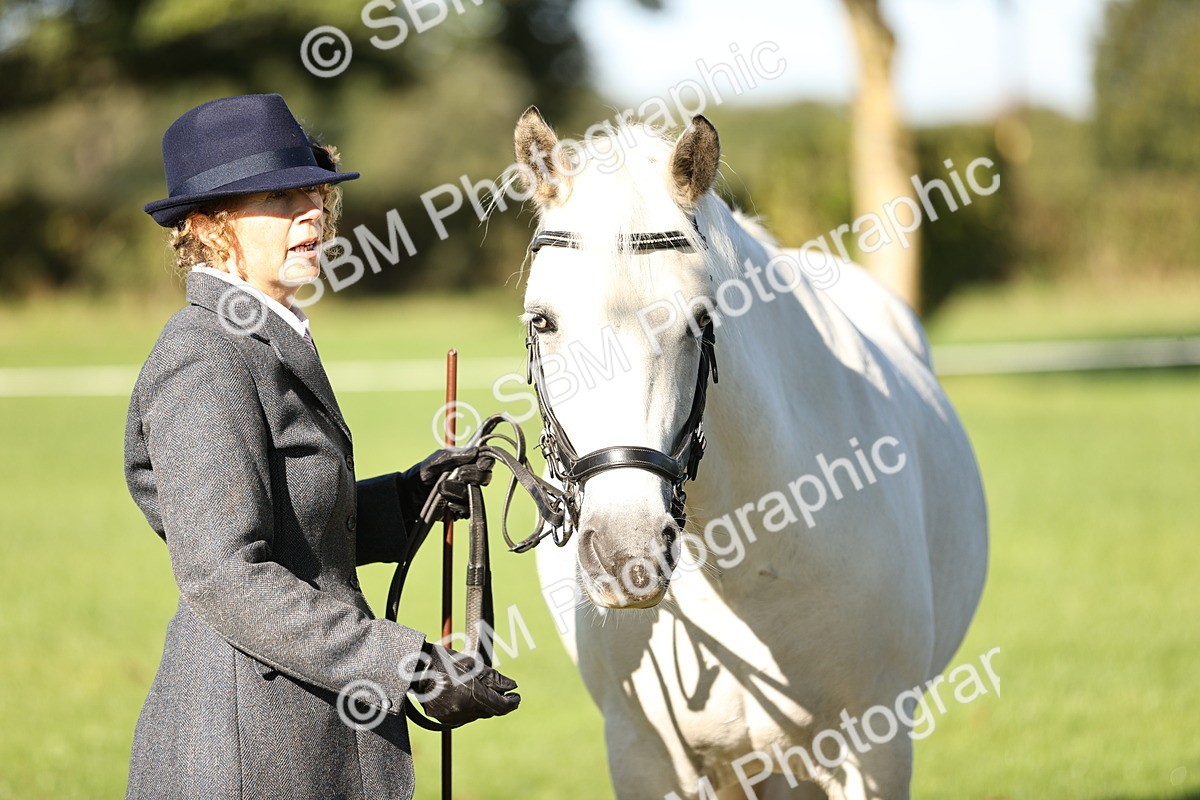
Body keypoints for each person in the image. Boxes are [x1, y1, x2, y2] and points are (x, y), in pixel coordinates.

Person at [125, 93, 519, 800]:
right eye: (280, 196)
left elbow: (296, 529)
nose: (312, 210)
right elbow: (225, 575)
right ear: (210, 227)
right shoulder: (205, 357)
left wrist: (407, 500)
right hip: (250, 749)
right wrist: (412, 666)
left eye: (314, 190)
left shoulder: (265, 336)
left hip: (308, 729)